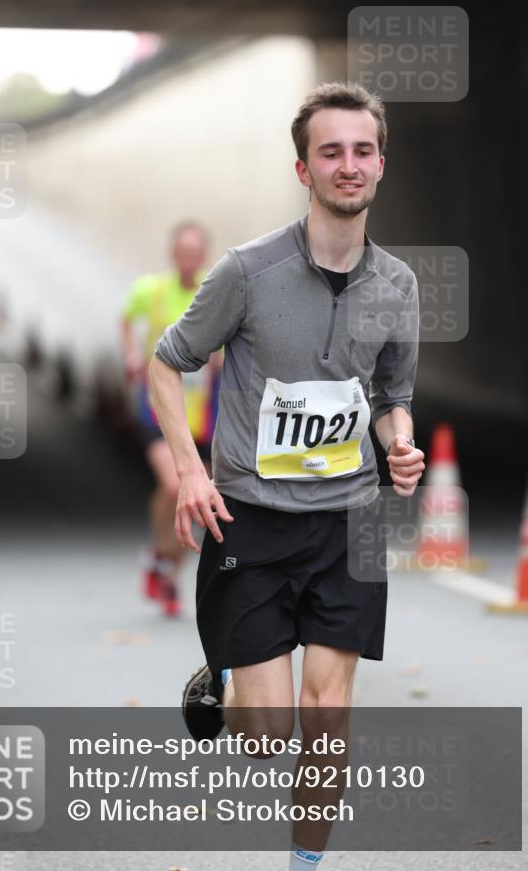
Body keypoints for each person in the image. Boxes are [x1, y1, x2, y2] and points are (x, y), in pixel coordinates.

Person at [148, 82, 425, 868]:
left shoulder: (397, 285)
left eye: (361, 151)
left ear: (380, 164)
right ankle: (230, 669)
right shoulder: (246, 272)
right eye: (330, 152)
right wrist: (191, 472)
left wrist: (397, 442)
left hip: (350, 520)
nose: (348, 165)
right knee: (266, 739)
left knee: (328, 715)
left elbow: (389, 396)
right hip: (253, 519)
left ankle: (305, 865)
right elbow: (166, 366)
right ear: (303, 170)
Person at [121, 222, 220, 617]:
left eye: (197, 252)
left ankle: (168, 571)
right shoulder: (151, 290)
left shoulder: (214, 294)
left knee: (196, 499)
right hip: (158, 407)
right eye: (184, 250)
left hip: (202, 415)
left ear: (204, 256)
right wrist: (131, 355)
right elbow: (127, 320)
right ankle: (161, 552)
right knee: (174, 481)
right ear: (173, 253)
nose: (189, 258)